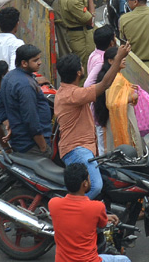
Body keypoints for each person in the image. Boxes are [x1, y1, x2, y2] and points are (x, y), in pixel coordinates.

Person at [49, 162, 133, 262]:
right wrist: (107, 217)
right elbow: (101, 222)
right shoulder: (96, 207)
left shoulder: (53, 204)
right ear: (85, 183)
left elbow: (76, 215)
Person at [54, 44, 131, 201]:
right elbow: (104, 85)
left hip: (82, 148)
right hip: (77, 149)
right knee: (95, 186)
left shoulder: (68, 91)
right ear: (78, 72)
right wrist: (117, 60)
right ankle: (73, 212)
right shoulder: (73, 94)